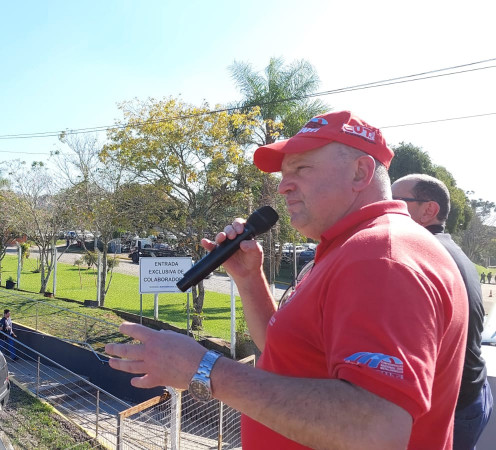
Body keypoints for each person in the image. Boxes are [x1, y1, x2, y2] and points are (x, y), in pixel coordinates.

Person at [105, 111, 468, 449]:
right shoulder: (347, 249)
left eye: (301, 169)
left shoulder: (381, 255)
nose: (283, 187)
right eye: (284, 175)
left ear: (360, 173)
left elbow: (374, 429)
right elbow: (286, 353)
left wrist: (202, 369)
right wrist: (249, 279)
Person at [392, 174, 492, 449]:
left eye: (397, 201)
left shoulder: (422, 253)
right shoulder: (451, 249)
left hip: (454, 406)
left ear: (429, 210)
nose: (387, 207)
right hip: (472, 394)